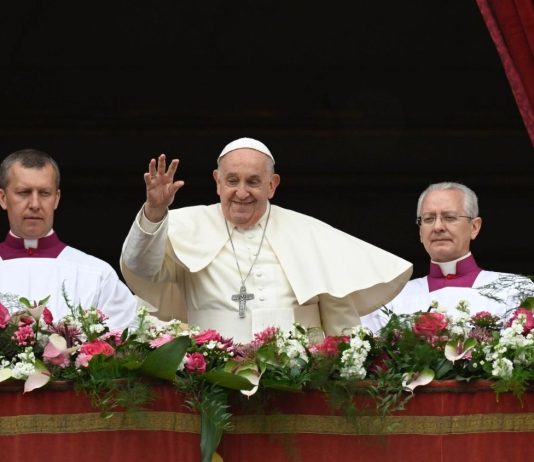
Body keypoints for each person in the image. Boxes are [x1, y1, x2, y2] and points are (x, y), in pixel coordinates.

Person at [120, 137, 412, 343]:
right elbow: (142, 268)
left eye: (253, 182)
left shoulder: (309, 233)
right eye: (232, 181)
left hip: (300, 382)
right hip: (211, 383)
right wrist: (154, 212)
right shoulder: (184, 226)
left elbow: (338, 318)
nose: (241, 192)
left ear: (272, 185)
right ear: (217, 182)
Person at [361, 181, 534, 332]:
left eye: (449, 217)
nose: (437, 227)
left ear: (474, 227)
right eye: (428, 219)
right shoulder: (391, 299)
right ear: (420, 232)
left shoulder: (514, 290)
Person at [0, 149, 137, 331]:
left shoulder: (97, 274)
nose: (35, 204)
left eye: (44, 193)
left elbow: (130, 337)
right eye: (24, 192)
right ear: (3, 198)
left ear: (56, 198)